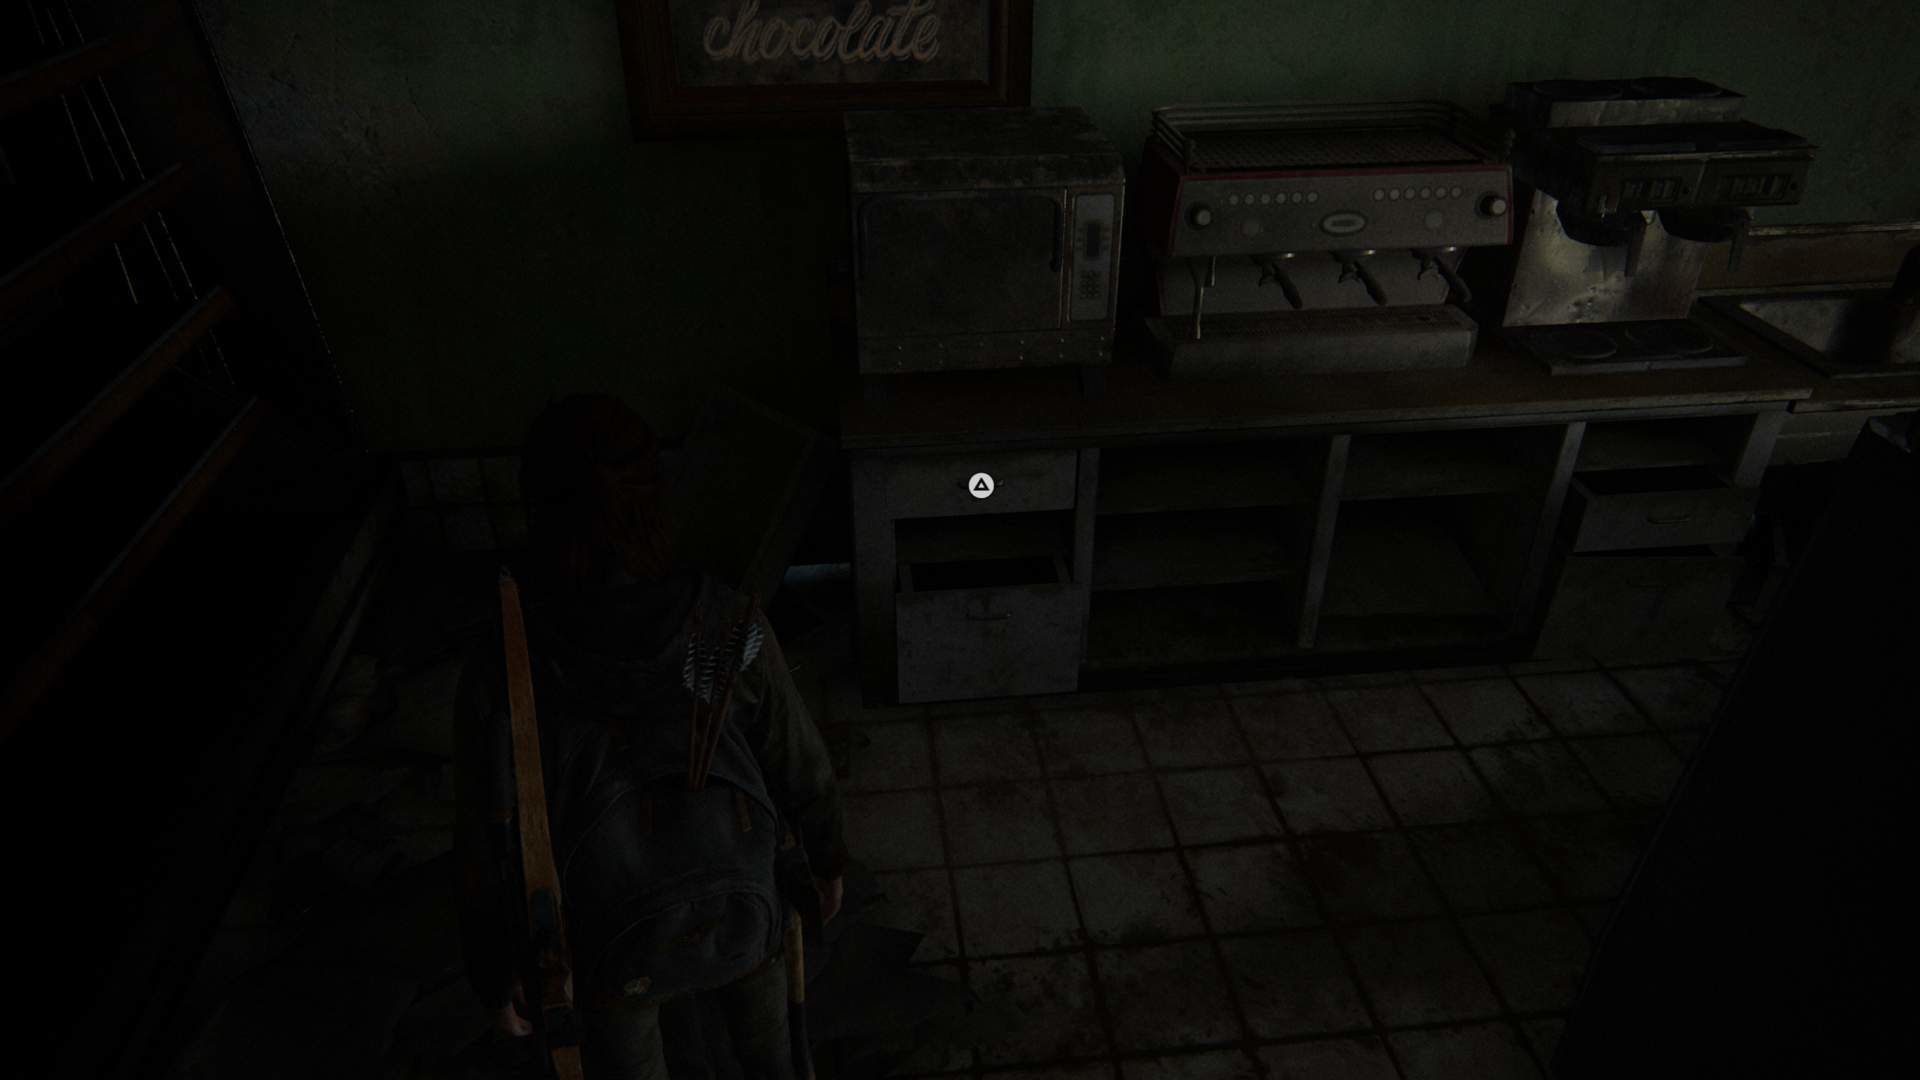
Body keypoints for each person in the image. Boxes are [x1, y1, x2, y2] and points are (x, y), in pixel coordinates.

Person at [454, 393, 848, 1079]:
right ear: (654, 496)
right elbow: (797, 759)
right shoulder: (725, 619)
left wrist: (499, 968)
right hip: (741, 902)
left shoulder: (510, 660)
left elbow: (489, 832)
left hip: (607, 932)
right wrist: (827, 858)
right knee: (771, 1059)